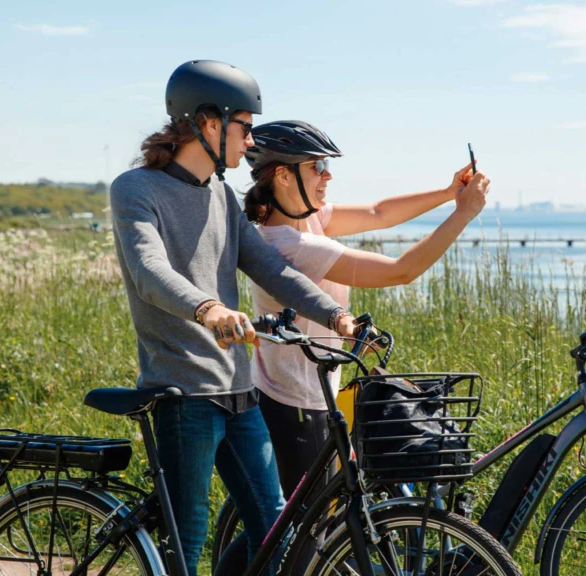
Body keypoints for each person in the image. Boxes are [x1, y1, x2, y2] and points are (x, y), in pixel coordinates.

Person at [109, 62, 357, 575]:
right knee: (190, 537)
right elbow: (149, 269)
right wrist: (208, 307)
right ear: (208, 122)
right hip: (184, 392)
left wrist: (335, 315)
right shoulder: (135, 190)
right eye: (244, 127)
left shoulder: (221, 196)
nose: (250, 142)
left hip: (239, 391)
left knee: (275, 532)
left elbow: (270, 267)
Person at [242, 120, 491, 499]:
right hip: (295, 406)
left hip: (309, 394)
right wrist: (462, 214)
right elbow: (401, 271)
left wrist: (446, 193)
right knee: (306, 537)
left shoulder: (307, 220)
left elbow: (377, 212)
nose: (328, 175)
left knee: (305, 526)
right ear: (283, 175)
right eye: (317, 167)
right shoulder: (295, 247)